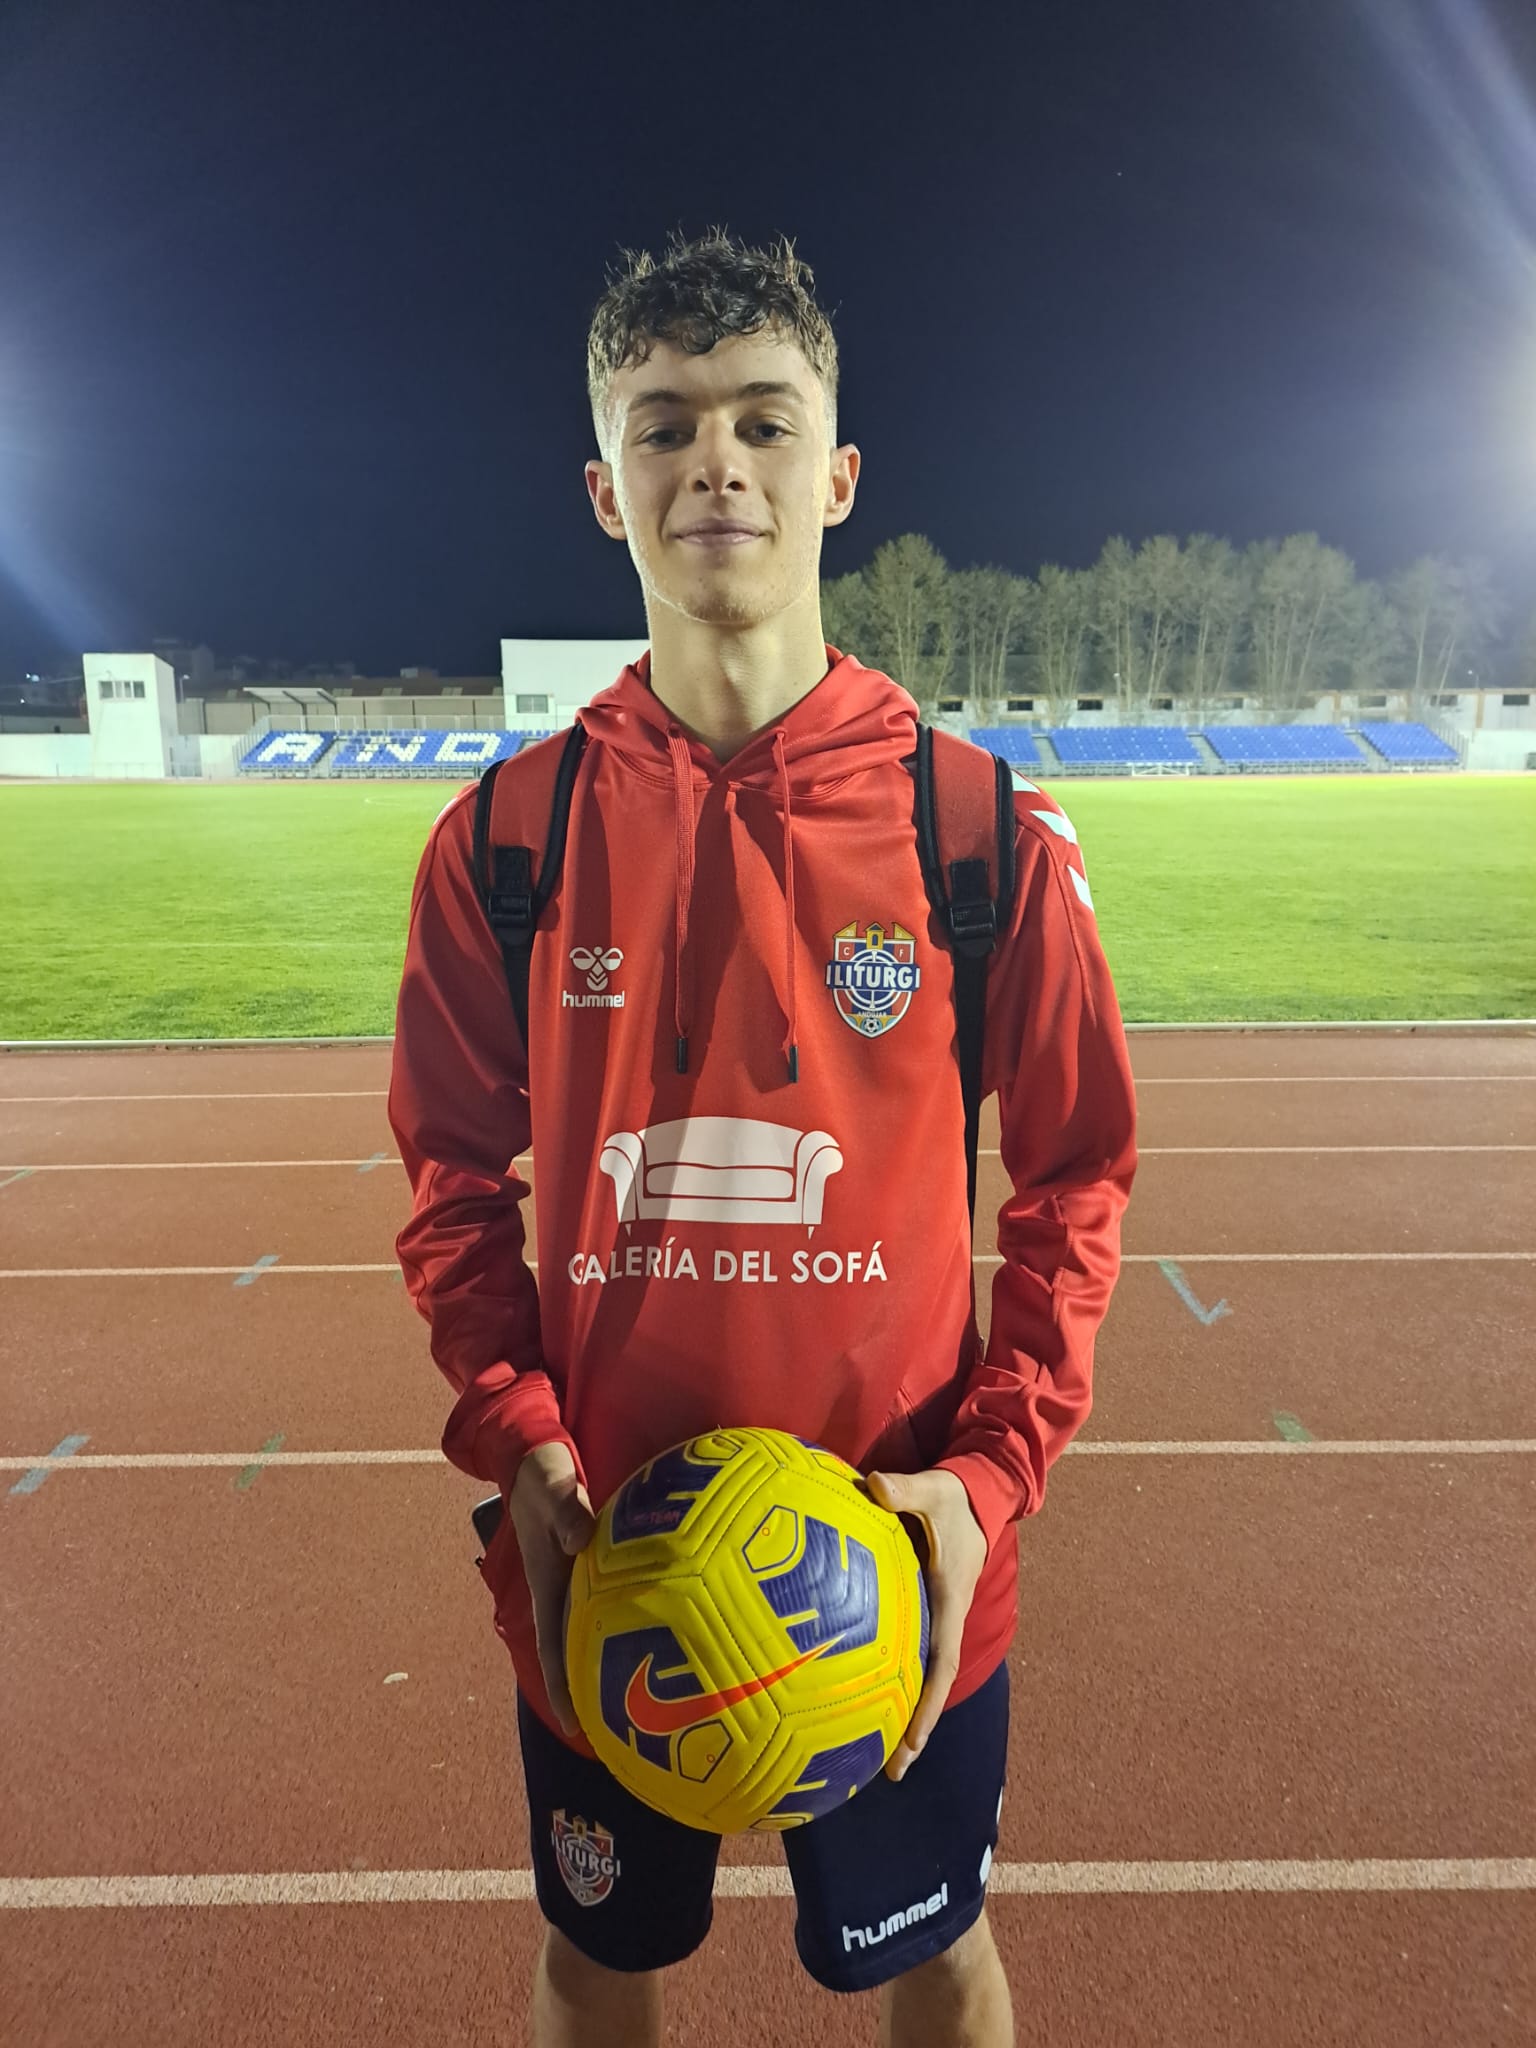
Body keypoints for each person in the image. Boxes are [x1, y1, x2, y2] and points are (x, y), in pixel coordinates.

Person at [388, 228, 1137, 2048]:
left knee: (935, 1959)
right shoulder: (504, 843)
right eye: (662, 425)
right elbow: (449, 1190)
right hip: (611, 1563)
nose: (713, 460)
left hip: (891, 1568)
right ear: (603, 486)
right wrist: (525, 1440)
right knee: (601, 1957)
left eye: (761, 419)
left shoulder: (976, 833)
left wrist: (986, 1482)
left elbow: (1076, 1179)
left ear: (839, 474)